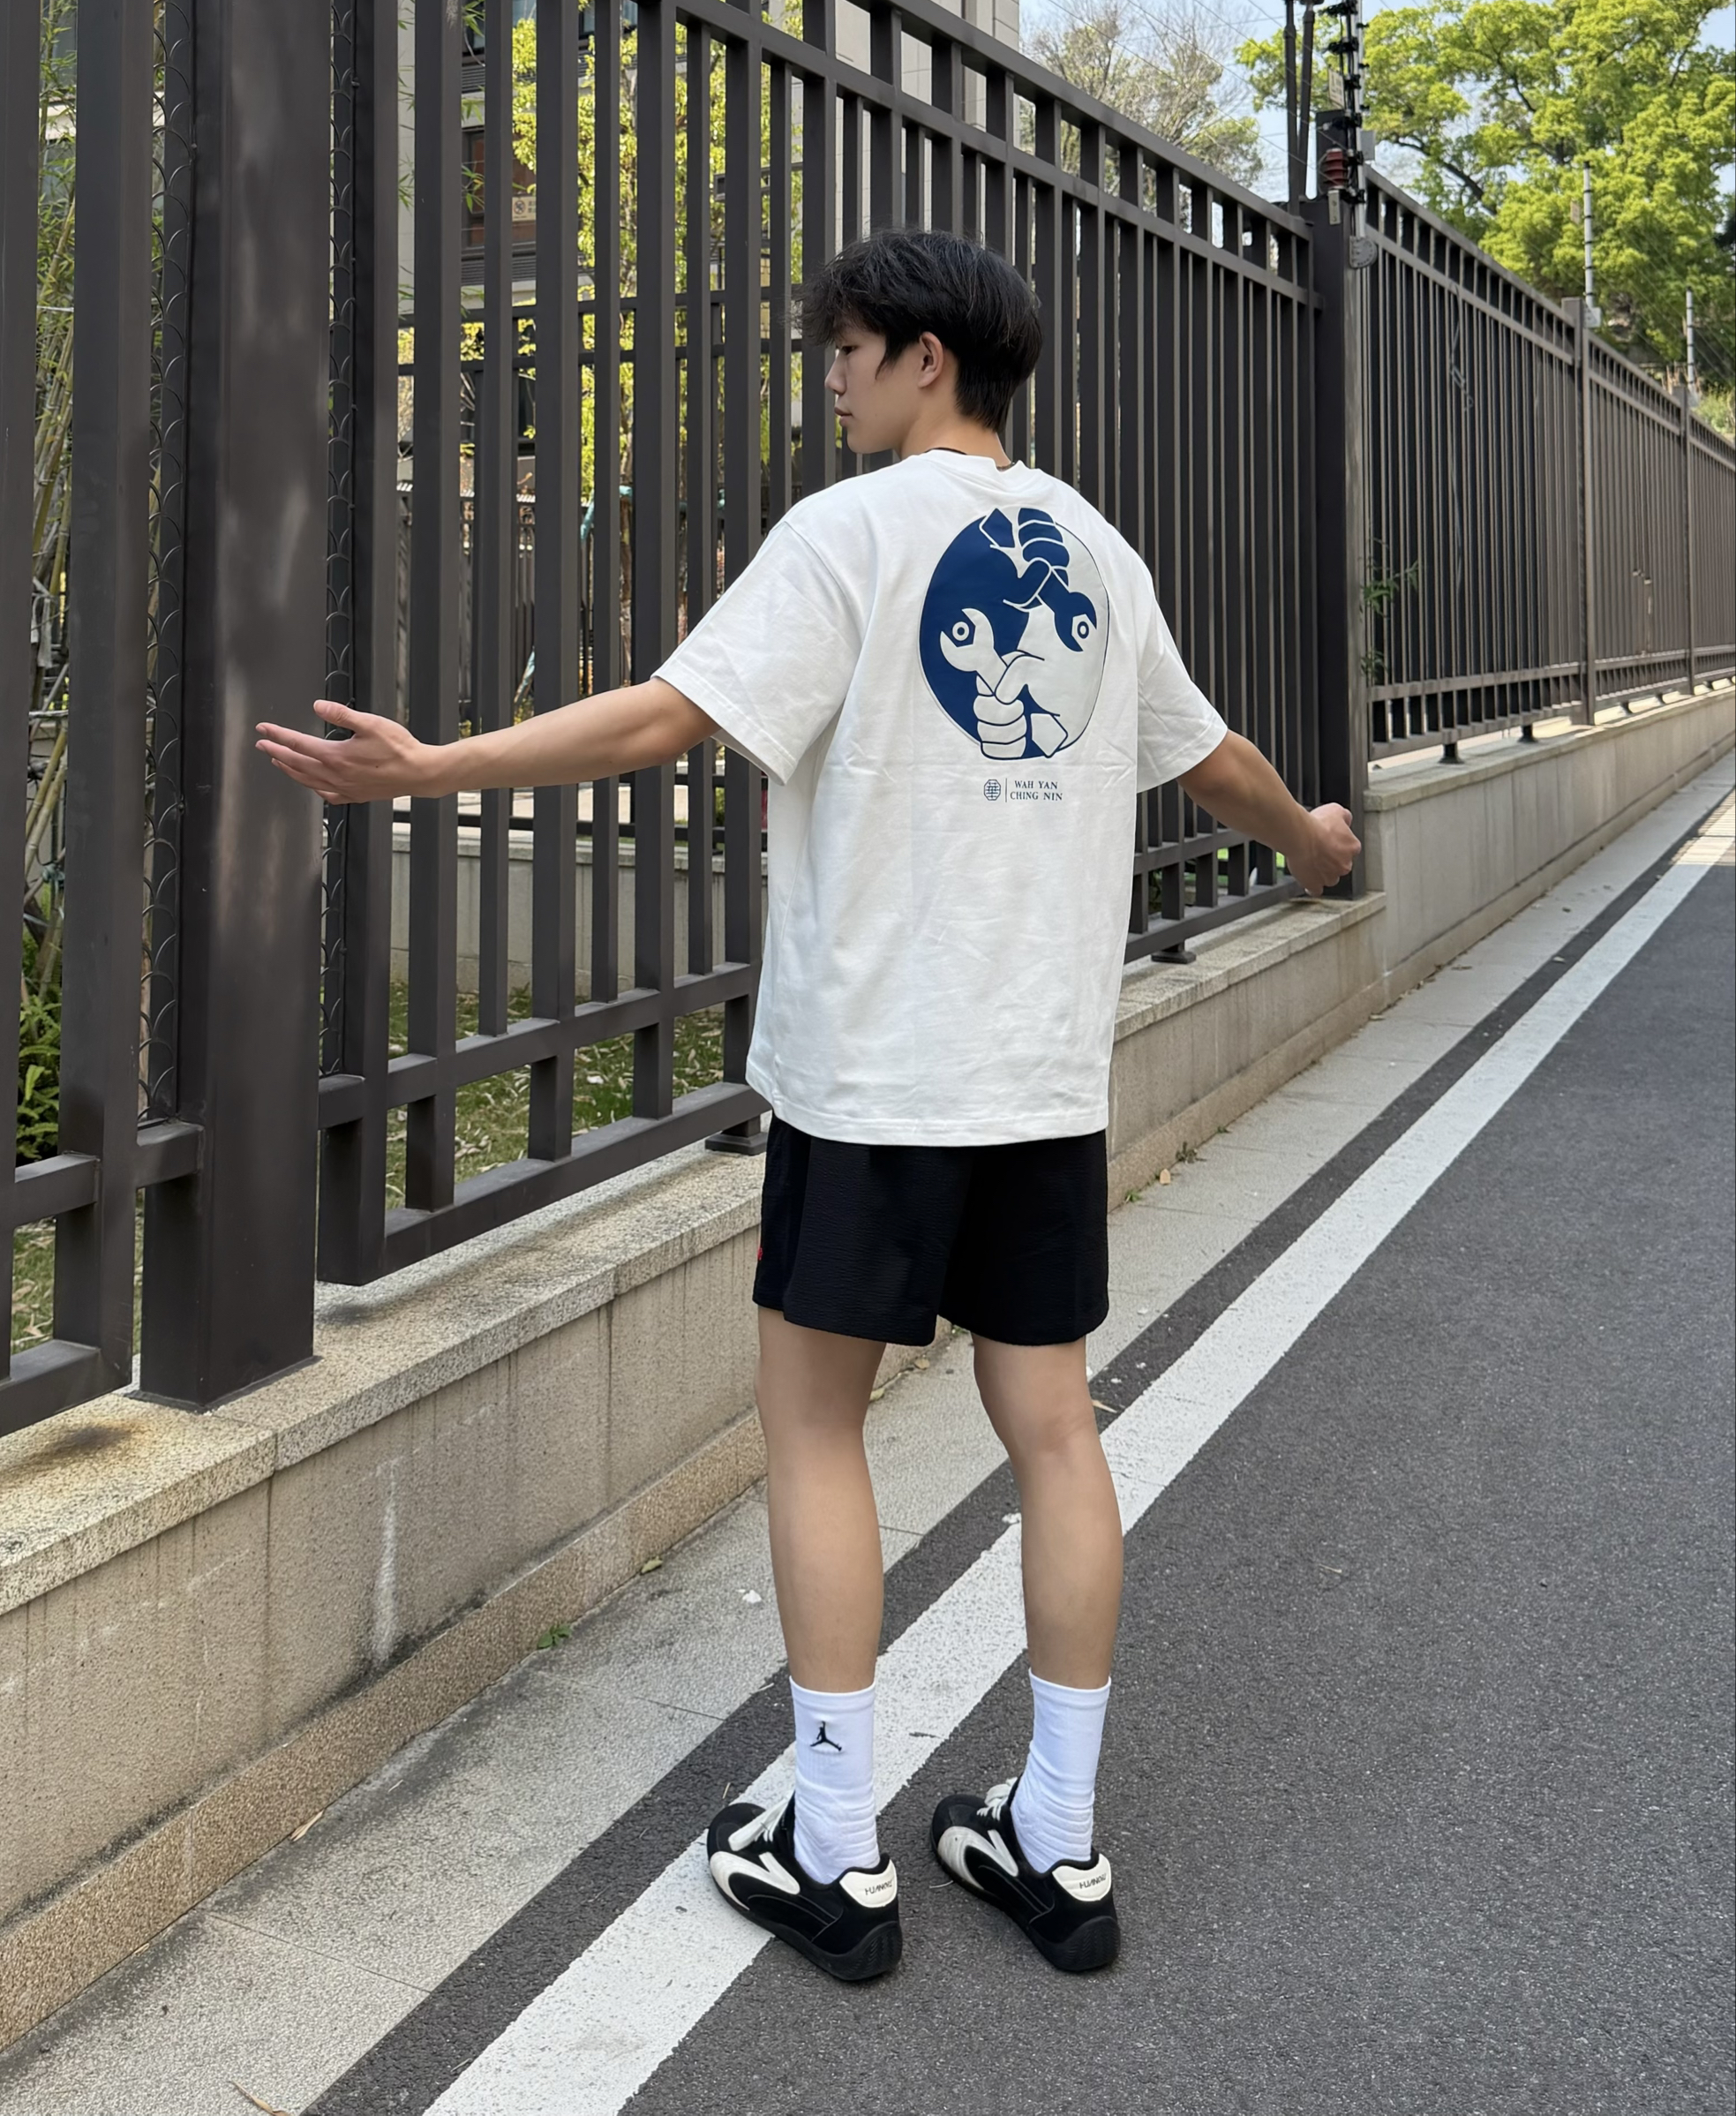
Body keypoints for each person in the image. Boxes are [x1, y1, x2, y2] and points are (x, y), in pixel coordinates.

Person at [257, 229, 1360, 1988]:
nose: (829, 379)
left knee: (818, 1431)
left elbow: (666, 724)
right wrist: (1308, 838)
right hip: (1042, 1077)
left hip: (876, 1079)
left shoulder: (850, 534)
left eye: (844, 350)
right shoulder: (1095, 549)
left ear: (926, 357)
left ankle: (836, 1850)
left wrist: (433, 767)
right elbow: (1210, 758)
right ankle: (1057, 1839)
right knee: (1054, 1430)